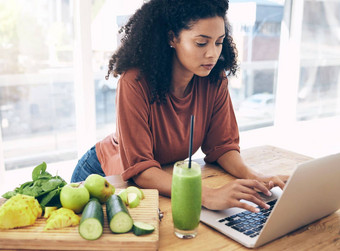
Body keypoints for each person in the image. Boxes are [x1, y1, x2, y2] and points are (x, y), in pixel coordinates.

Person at [71, 0, 288, 213]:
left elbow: (222, 146)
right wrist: (205, 194)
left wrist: (257, 177)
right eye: (201, 43)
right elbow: (142, 170)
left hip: (161, 175)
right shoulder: (134, 82)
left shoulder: (214, 79)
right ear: (172, 38)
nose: (212, 53)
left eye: (219, 42)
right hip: (103, 176)